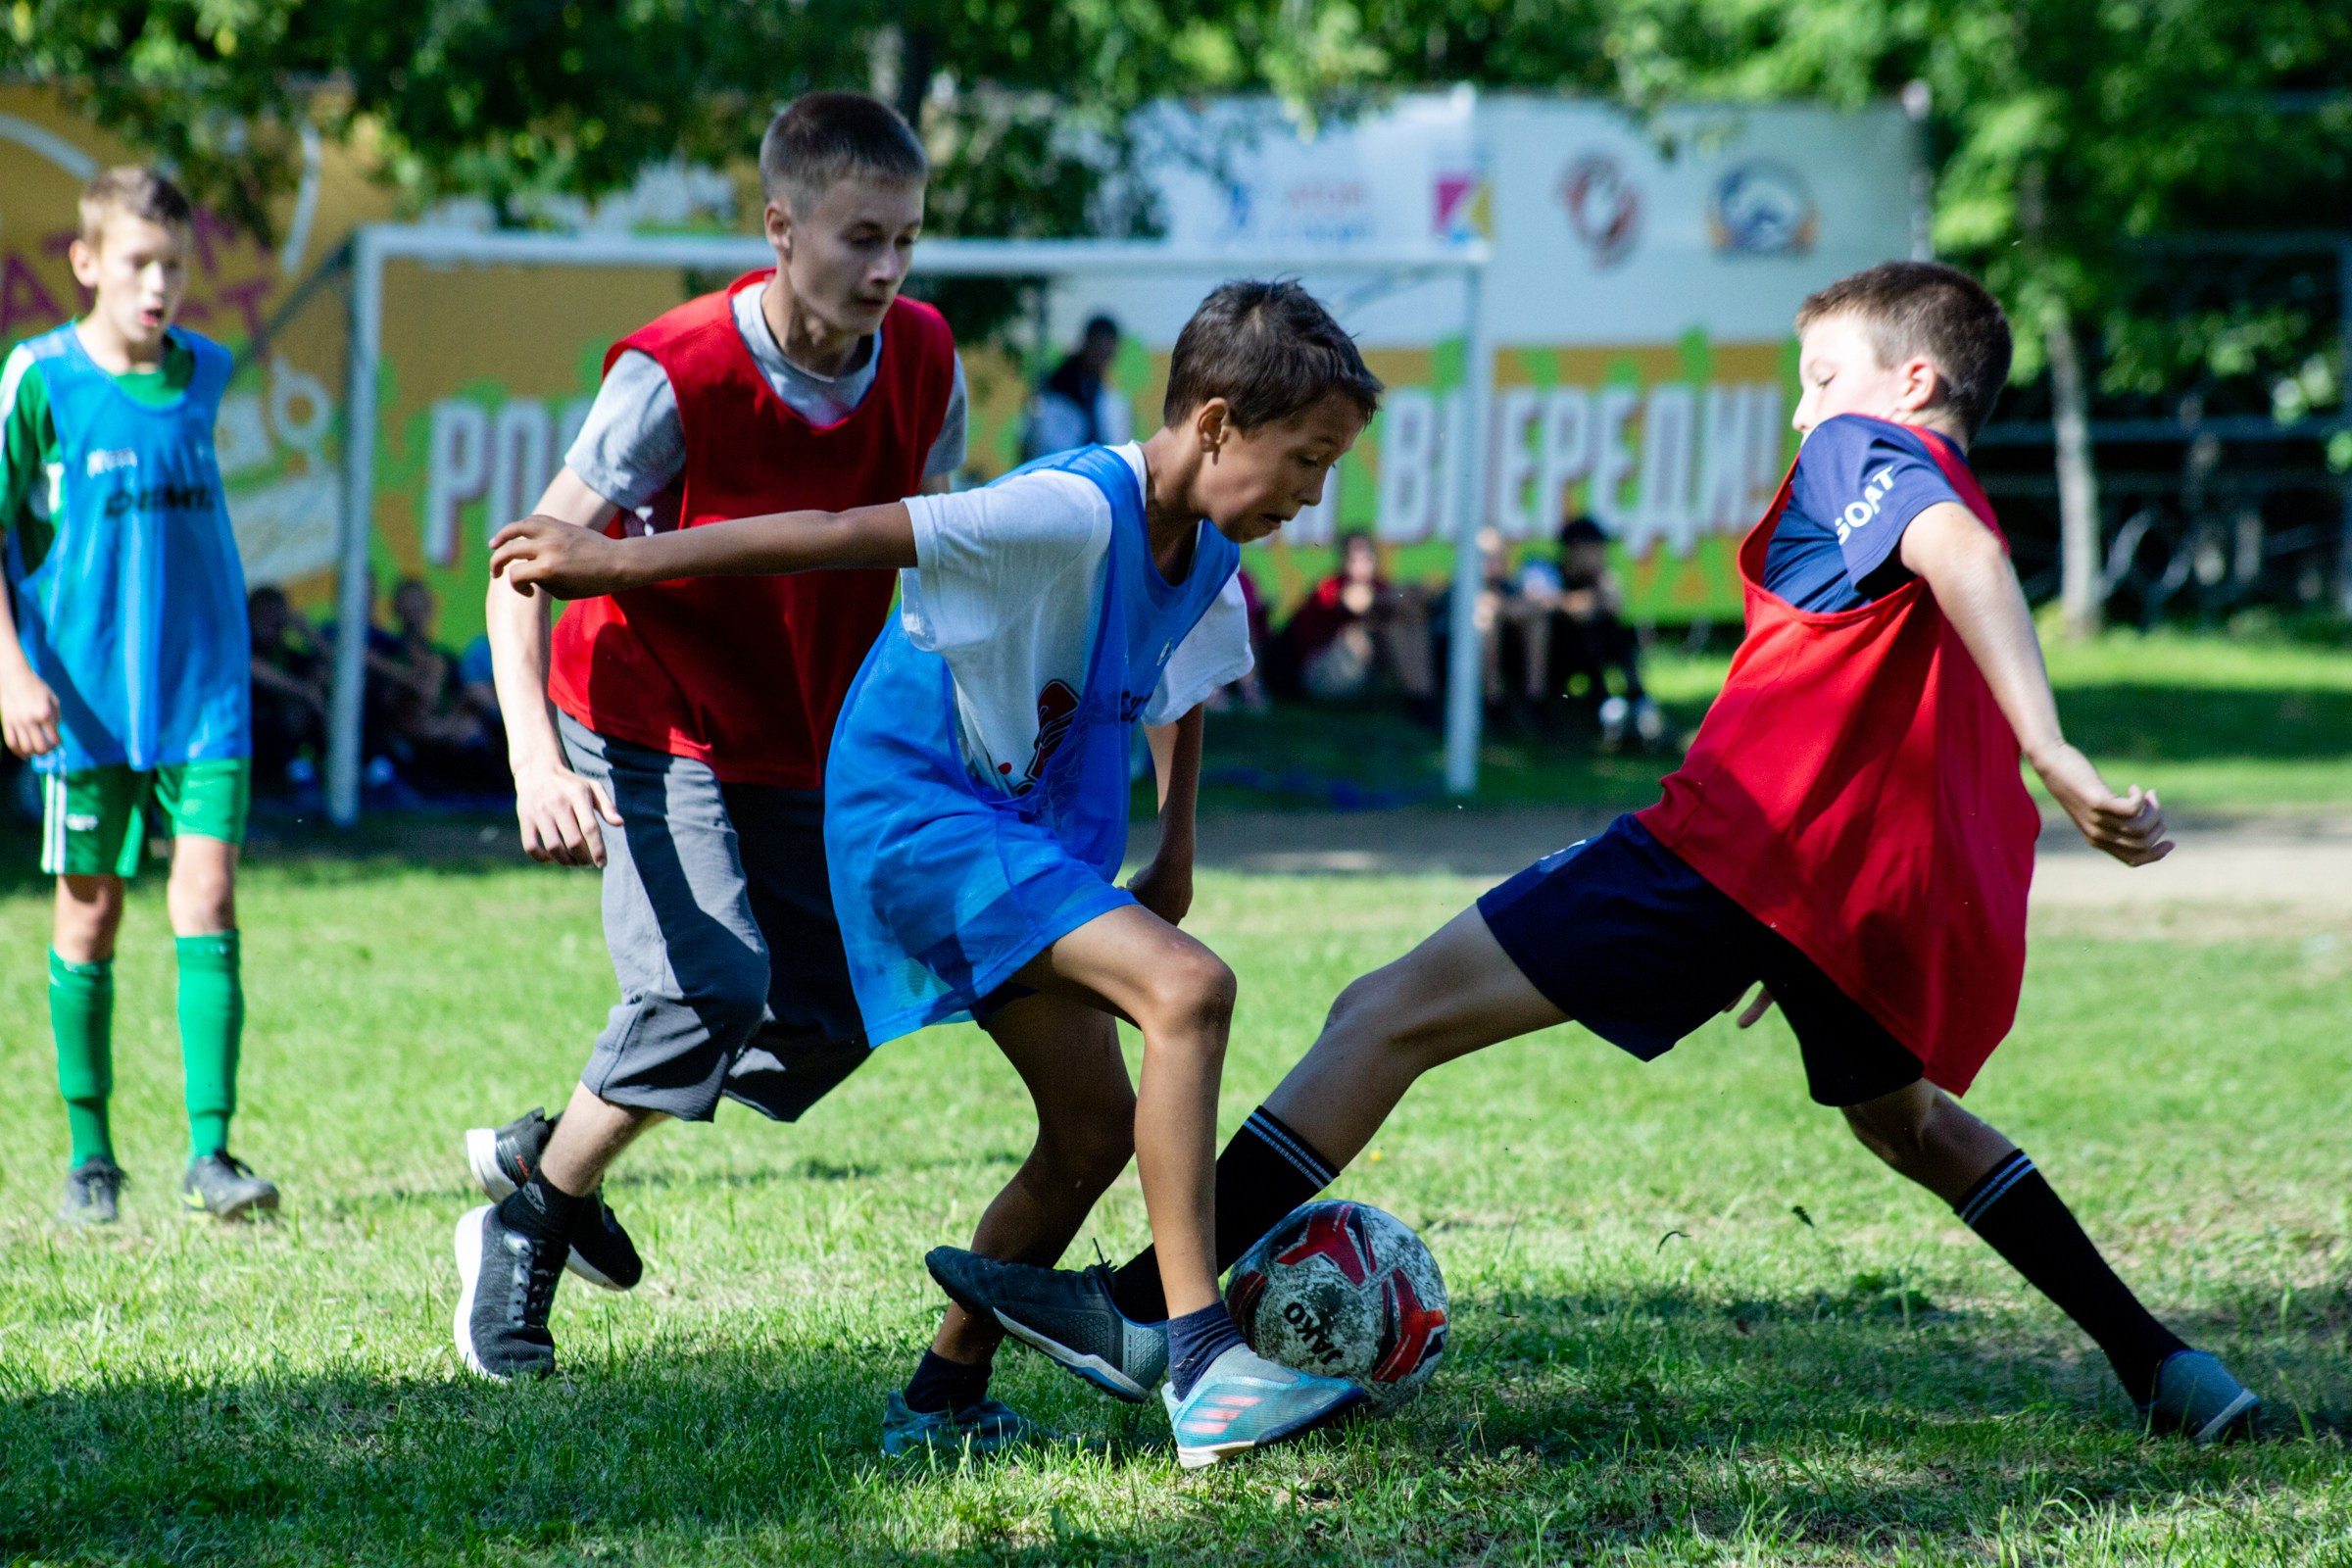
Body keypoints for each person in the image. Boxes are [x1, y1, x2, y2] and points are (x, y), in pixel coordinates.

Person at [926, 261, 2263, 1446]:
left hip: (1730, 853)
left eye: (1820, 378)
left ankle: (1150, 1310)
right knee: (1907, 1126)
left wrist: (2056, 752)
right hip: (1842, 900)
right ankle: (2164, 1362)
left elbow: (1955, 551)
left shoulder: (1875, 454)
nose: (1806, 412)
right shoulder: (1929, 476)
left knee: (1385, 1013)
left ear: (1910, 383)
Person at [488, 278, 1386, 1468]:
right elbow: (840, 533)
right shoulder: (1067, 509)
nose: (1312, 495)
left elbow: (1179, 673)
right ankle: (1202, 1358)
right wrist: (620, 564)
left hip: (1020, 828)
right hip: (919, 813)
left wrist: (1175, 843)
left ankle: (942, 1391)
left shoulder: (1217, 536)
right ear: (1216, 423)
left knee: (1094, 1131)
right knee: (1191, 991)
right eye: (1306, 460)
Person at [450, 92, 968, 1383]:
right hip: (641, 709)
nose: (888, 268)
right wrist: (532, 755)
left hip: (799, 726)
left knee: (855, 1009)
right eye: (862, 238)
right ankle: (528, 1224)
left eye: (906, 238)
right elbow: (524, 564)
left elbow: (939, 563)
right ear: (780, 226)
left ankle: (558, 1137)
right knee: (709, 986)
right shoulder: (672, 375)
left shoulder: (926, 358)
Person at [0, 168, 276, 1223]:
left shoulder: (205, 370)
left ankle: (213, 1154)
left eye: (173, 265)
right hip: (84, 702)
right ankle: (90, 1156)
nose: (158, 286)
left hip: (204, 693)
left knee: (206, 897)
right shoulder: (39, 379)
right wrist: (13, 672)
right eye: (137, 265)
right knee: (93, 912)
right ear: (86, 263)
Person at [1525, 514, 1658, 749]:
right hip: (1553, 656)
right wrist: (1577, 603)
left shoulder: (1599, 579)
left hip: (1588, 652)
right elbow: (1550, 604)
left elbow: (1613, 605)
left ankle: (1636, 700)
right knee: (1588, 635)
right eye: (1596, 549)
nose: (1602, 555)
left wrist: (1602, 585)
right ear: (1575, 549)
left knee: (1617, 632)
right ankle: (1606, 706)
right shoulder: (1546, 571)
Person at [1269, 529, 1437, 704]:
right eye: (1354, 558)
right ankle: (1420, 698)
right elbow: (1355, 601)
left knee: (1405, 621)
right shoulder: (1329, 585)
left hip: (1364, 675)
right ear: (1343, 560)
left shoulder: (1379, 585)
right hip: (1322, 676)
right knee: (1358, 634)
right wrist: (1401, 598)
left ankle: (1422, 695)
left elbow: (1410, 601)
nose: (1361, 564)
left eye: (1366, 557)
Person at [248, 586, 330, 792]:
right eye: (263, 615)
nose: (270, 622)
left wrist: (309, 632)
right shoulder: (240, 650)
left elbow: (341, 668)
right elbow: (255, 669)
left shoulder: (290, 656)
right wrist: (304, 691)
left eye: (276, 616)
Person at [1020, 314, 1131, 460]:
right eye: (1099, 349)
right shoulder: (1058, 388)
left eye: (1107, 354)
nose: (1102, 358)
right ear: (1087, 343)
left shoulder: (1104, 395)